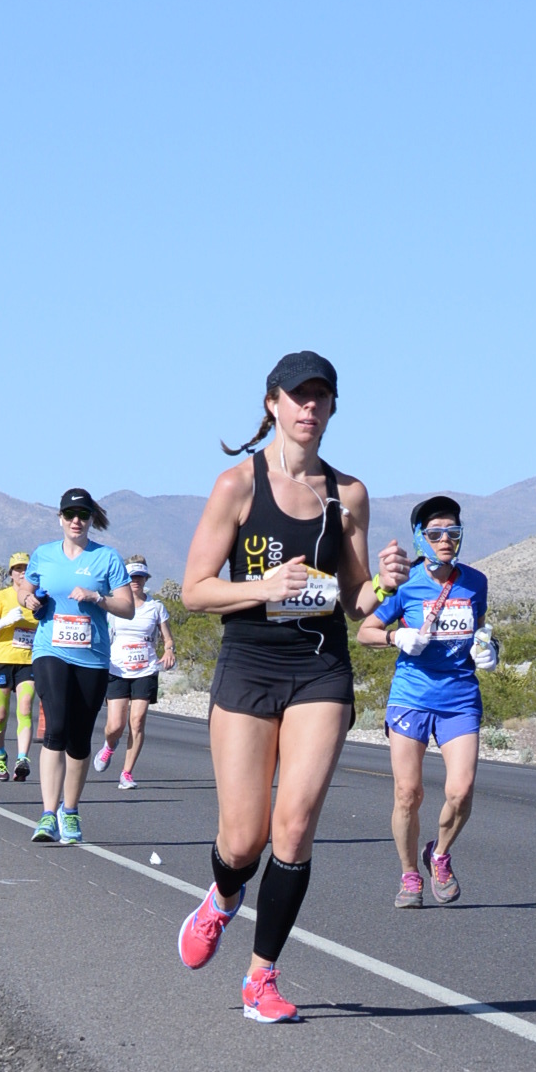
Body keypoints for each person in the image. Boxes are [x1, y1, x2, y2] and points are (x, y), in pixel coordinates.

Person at [175, 350, 407, 1022]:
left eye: (320, 397)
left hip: (319, 670)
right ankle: (222, 898)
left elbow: (357, 601)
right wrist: (264, 586)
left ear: (332, 408)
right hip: (249, 665)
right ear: (272, 403)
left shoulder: (348, 495)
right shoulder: (237, 486)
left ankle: (262, 978)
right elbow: (194, 591)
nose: (309, 407)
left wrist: (386, 583)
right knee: (242, 841)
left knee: (296, 826)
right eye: (297, 396)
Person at [365, 497, 491, 906]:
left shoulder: (475, 582)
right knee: (408, 793)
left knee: (461, 790)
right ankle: (409, 876)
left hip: (459, 698)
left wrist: (488, 649)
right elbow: (365, 630)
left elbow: (480, 629)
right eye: (435, 534)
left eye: (452, 533)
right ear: (421, 538)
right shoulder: (405, 584)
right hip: (411, 697)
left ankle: (439, 854)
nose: (445, 540)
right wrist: (394, 636)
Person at [22, 493, 133, 844]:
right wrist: (30, 599)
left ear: (90, 519)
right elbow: (25, 591)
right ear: (60, 517)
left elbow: (128, 607)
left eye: (82, 514)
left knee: (80, 737)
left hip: (92, 656)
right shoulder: (43, 554)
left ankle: (69, 811)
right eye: (70, 513)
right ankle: (47, 814)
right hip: (50, 650)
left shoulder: (106, 558)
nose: (76, 520)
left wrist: (97, 597)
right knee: (55, 727)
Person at [93, 553, 176, 788]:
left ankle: (126, 773)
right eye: (131, 577)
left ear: (146, 578)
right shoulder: (114, 605)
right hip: (118, 669)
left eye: (140, 576)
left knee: (137, 721)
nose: (135, 581)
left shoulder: (156, 607)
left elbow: (168, 638)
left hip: (146, 669)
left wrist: (169, 651)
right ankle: (110, 745)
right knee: (115, 726)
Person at [0, 553, 40, 781]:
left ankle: (22, 759)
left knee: (25, 708)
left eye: (26, 568)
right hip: (3, 661)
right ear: (11, 573)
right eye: (17, 569)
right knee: (1, 714)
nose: (22, 572)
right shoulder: (2, 596)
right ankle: (0, 755)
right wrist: (6, 621)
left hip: (29, 662)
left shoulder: (40, 598)